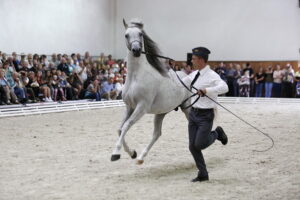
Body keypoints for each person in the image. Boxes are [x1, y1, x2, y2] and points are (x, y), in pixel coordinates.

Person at [183, 47, 228, 182]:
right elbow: (182, 82)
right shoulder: (194, 74)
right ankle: (203, 173)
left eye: (194, 58)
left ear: (201, 60)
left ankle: (217, 133)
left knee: (200, 144)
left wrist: (207, 90)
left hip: (205, 116)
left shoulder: (212, 75)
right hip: (193, 114)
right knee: (192, 146)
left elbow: (225, 87)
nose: (192, 60)